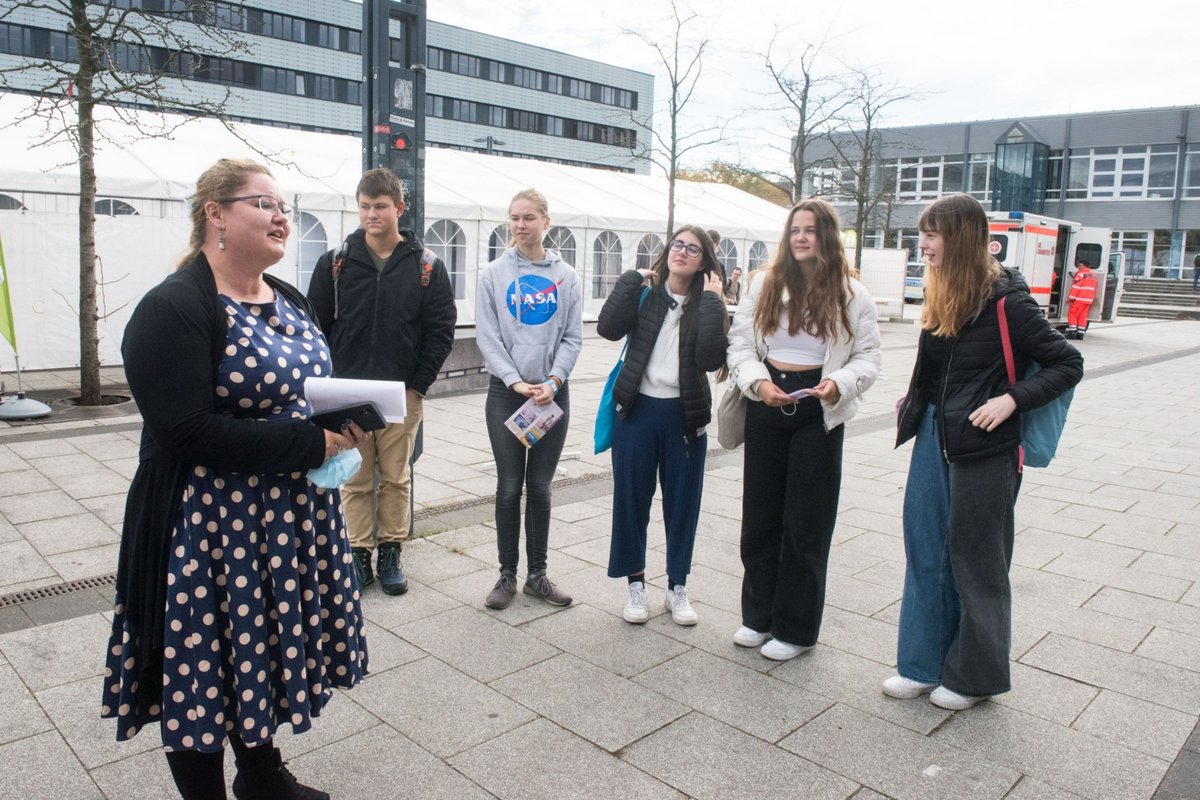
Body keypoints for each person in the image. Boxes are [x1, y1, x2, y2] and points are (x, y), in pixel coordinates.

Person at [102, 159, 369, 800]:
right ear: (215, 215)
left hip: (285, 517)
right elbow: (184, 432)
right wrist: (308, 439)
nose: (282, 217)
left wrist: (343, 413)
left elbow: (299, 389)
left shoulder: (287, 295)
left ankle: (261, 774)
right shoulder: (174, 307)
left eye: (284, 204)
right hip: (207, 527)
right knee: (202, 666)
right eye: (264, 204)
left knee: (262, 648)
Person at [887, 193, 1082, 710]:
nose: (923, 244)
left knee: (976, 560)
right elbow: (936, 367)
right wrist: (916, 400)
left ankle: (975, 678)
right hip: (934, 437)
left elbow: (1067, 363)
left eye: (932, 234)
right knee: (925, 549)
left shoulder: (1007, 300)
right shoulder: (939, 290)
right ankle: (921, 665)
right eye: (923, 234)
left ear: (962, 237)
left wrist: (1011, 400)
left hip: (986, 448)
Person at [726, 198, 882, 661]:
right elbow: (739, 344)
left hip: (820, 409)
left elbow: (868, 358)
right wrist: (758, 382)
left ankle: (795, 630)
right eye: (795, 229)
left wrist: (840, 383)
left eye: (811, 230)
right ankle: (758, 617)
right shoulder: (764, 284)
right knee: (760, 518)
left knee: (806, 524)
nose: (801, 237)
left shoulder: (853, 294)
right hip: (768, 401)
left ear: (827, 237)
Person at [308, 168, 457, 596]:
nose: (372, 214)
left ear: (399, 209)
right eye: (365, 206)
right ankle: (358, 554)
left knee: (395, 476)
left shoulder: (426, 266)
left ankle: (391, 550)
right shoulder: (334, 263)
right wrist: (325, 386)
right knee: (353, 477)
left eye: (380, 207)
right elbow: (316, 326)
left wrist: (417, 386)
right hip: (346, 393)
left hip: (401, 393)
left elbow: (439, 330)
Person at [597, 226, 728, 626]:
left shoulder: (709, 303)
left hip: (684, 417)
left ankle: (677, 586)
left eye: (692, 249)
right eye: (677, 245)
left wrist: (710, 300)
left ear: (704, 260)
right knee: (631, 502)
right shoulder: (645, 293)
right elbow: (607, 328)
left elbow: (709, 359)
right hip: (636, 412)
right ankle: (635, 585)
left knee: (683, 506)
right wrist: (631, 280)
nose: (682, 253)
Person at [476, 188, 583, 610]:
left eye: (529, 218)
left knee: (539, 487)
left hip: (552, 394)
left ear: (546, 222)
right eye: (514, 218)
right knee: (508, 487)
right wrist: (515, 381)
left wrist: (554, 380)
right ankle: (507, 575)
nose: (520, 225)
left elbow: (574, 336)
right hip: (508, 394)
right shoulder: (493, 274)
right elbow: (488, 336)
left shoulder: (567, 276)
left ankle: (538, 575)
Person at [1065, 259, 1097, 339]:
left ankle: (1071, 332)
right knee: (1083, 316)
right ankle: (1080, 334)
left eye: (1080, 265)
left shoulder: (1080, 275)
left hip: (1079, 299)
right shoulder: (1092, 276)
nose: (1078, 267)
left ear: (1084, 266)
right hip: (1088, 300)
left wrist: (1071, 298)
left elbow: (1076, 287)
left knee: (1072, 314)